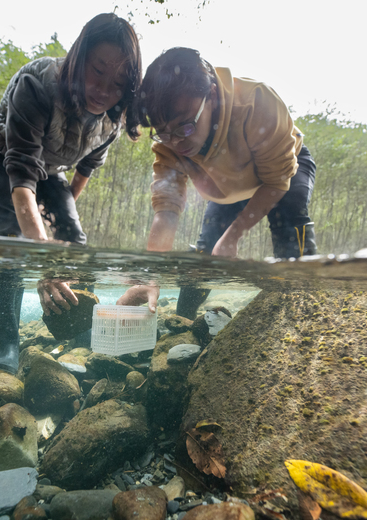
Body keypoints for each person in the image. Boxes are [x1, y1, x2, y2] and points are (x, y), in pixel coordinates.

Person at [0, 13, 142, 373]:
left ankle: (78, 328)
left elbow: (84, 172)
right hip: (1, 154)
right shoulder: (38, 83)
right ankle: (6, 346)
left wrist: (60, 228)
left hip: (52, 171)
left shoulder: (115, 116)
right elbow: (21, 182)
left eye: (118, 83)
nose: (104, 90)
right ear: (79, 57)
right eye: (97, 71)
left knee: (77, 246)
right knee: (13, 242)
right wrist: (43, 262)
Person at [117, 47, 316, 318]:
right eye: (163, 132)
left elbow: (277, 182)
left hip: (283, 170)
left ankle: (299, 309)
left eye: (185, 127)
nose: (176, 141)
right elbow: (166, 210)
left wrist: (234, 235)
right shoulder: (170, 143)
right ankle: (184, 318)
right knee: (208, 249)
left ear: (210, 95)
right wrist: (150, 274)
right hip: (228, 185)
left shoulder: (257, 103)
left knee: (289, 225)